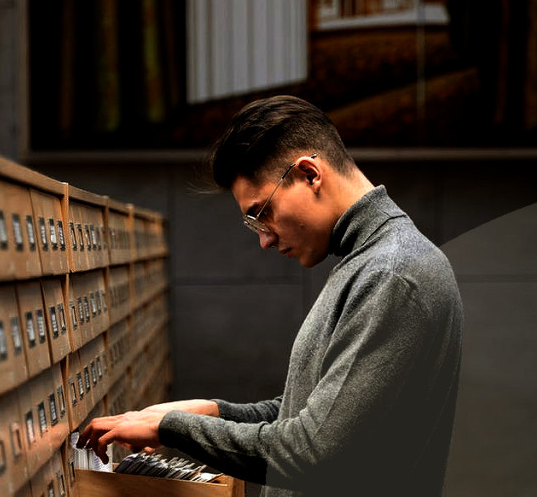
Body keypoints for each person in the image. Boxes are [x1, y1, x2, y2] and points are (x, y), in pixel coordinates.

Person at [79, 95, 463, 496]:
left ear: (310, 174)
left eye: (262, 212)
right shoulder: (369, 263)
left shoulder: (390, 274)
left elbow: (313, 452)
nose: (264, 239)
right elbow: (315, 414)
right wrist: (215, 412)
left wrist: (172, 428)